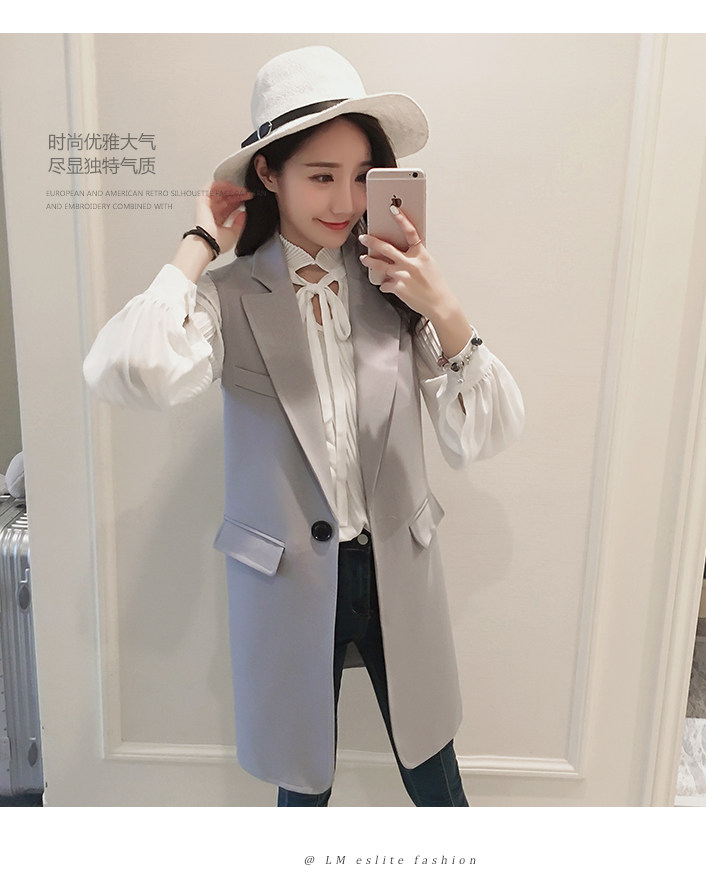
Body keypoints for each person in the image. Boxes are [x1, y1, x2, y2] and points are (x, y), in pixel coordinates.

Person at [83, 45, 525, 807]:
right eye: (321, 176)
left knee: (435, 776)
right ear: (268, 174)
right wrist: (199, 245)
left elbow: (487, 431)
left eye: (361, 175)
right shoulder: (227, 298)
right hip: (287, 581)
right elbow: (126, 367)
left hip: (397, 571)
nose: (345, 201)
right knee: (302, 789)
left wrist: (443, 305)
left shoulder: (395, 285)